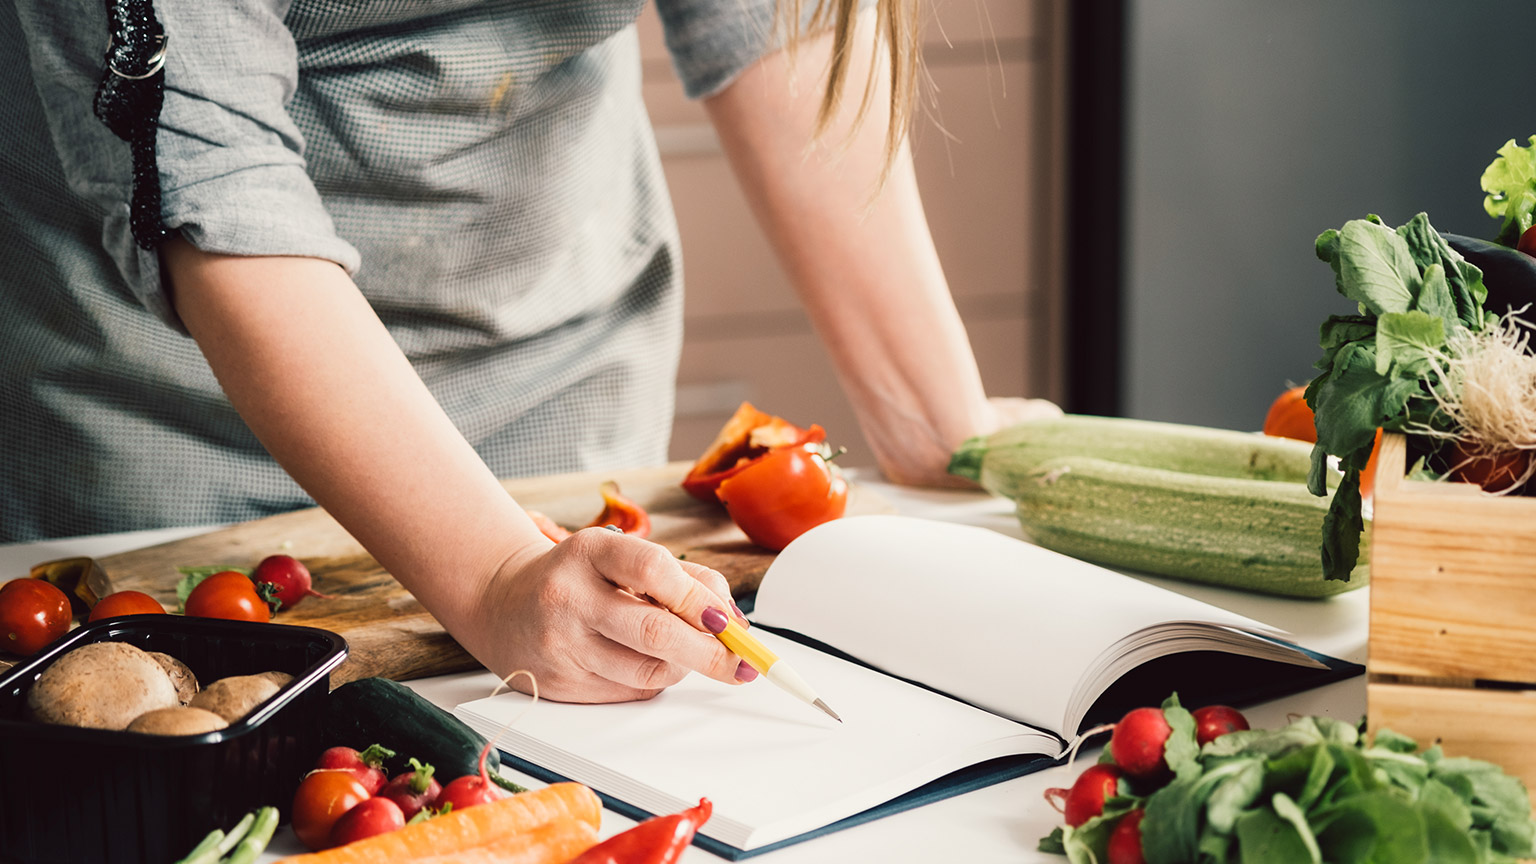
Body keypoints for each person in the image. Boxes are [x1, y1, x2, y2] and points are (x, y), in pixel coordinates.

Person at [4, 0, 1058, 702]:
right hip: (164, 420)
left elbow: (784, 22)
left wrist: (936, 421)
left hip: (561, 378)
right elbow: (213, 178)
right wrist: (499, 571)